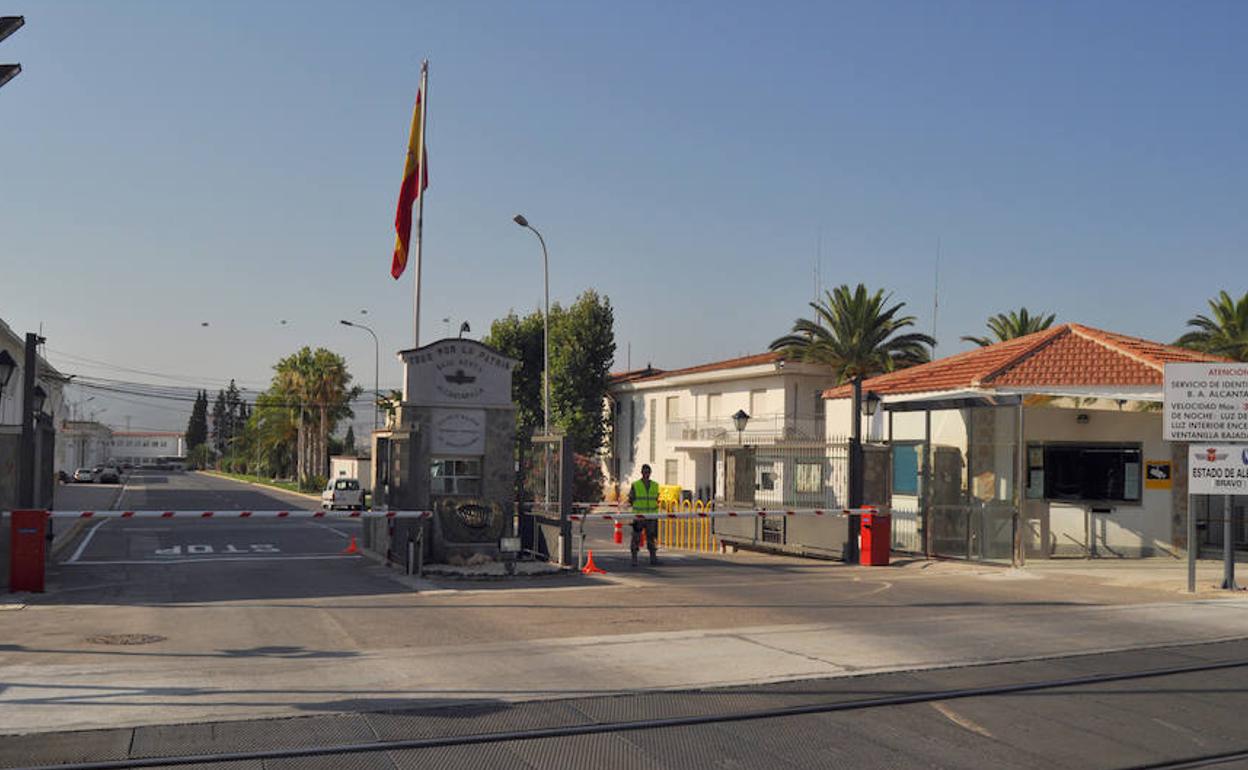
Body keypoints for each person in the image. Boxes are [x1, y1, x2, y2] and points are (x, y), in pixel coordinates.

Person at [628, 463, 660, 566]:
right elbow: (631, 499)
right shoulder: (636, 485)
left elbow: (656, 499)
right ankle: (634, 559)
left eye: (648, 472)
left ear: (650, 473)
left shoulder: (655, 485)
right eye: (644, 472)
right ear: (641, 473)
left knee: (651, 537)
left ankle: (653, 558)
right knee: (636, 538)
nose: (646, 474)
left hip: (651, 516)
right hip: (639, 517)